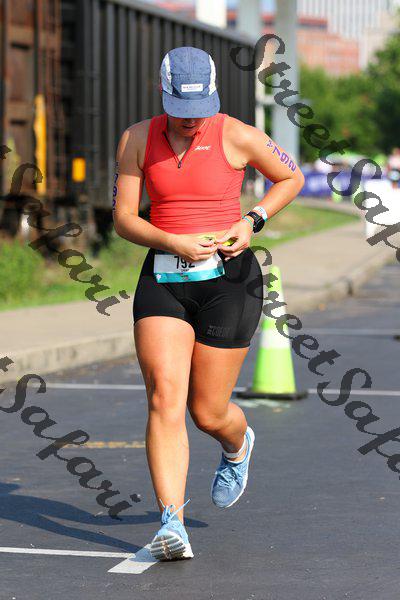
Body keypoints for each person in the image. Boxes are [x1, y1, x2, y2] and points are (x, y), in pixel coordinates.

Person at [113, 46, 304, 561]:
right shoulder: (136, 139)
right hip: (164, 277)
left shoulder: (238, 134)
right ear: (164, 94)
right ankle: (171, 523)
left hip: (230, 282)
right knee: (163, 397)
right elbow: (124, 218)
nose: (192, 120)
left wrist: (252, 221)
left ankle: (237, 446)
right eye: (182, 110)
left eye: (201, 110)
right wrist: (171, 240)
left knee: (207, 411)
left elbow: (291, 178)